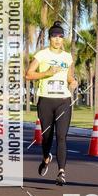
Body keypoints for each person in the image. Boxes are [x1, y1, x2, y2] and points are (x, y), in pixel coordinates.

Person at [25, 22, 77, 185]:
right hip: (45, 101)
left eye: (60, 36)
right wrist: (47, 73)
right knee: (47, 137)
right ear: (49, 38)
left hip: (63, 100)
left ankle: (61, 172)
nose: (57, 39)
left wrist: (72, 81)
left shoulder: (67, 57)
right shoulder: (42, 55)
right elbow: (28, 75)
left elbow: (69, 76)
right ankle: (46, 158)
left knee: (61, 136)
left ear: (63, 39)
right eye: (54, 36)